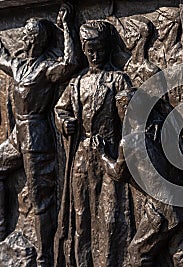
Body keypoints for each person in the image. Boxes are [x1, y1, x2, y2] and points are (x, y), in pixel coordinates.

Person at [0, 3, 77, 266]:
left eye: (25, 34)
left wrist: (67, 27)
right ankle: (2, 229)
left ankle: (45, 257)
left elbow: (70, 63)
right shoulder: (18, 65)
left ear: (35, 38)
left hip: (36, 135)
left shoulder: (45, 68)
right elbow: (1, 54)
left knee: (40, 198)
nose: (21, 37)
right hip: (17, 135)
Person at [54, 20, 134, 266]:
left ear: (107, 49)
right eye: (90, 50)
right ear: (84, 50)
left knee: (110, 217)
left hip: (109, 154)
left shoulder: (118, 80)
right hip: (81, 156)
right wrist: (63, 122)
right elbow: (60, 109)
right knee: (81, 216)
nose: (95, 55)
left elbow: (131, 120)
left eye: (99, 49)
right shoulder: (76, 83)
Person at [97, 89, 183, 267]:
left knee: (137, 253)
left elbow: (118, 173)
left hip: (162, 210)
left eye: (122, 107)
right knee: (182, 256)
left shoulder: (129, 142)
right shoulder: (160, 131)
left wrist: (102, 154)